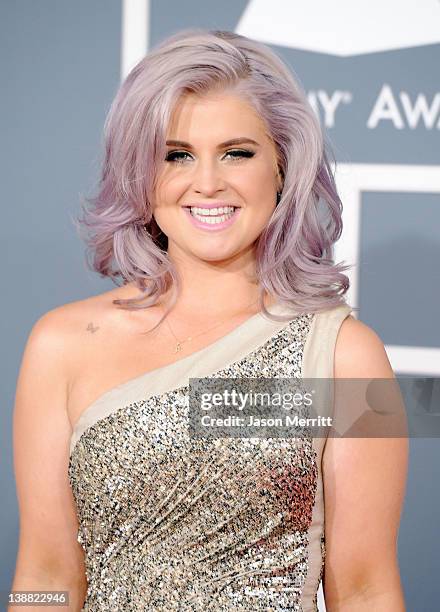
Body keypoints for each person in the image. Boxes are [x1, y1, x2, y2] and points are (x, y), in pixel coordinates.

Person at [10, 29, 408, 611]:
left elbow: (366, 587)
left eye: (236, 153)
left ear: (282, 166)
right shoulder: (62, 344)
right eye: (177, 155)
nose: (207, 182)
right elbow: (45, 571)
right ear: (140, 175)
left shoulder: (346, 357)